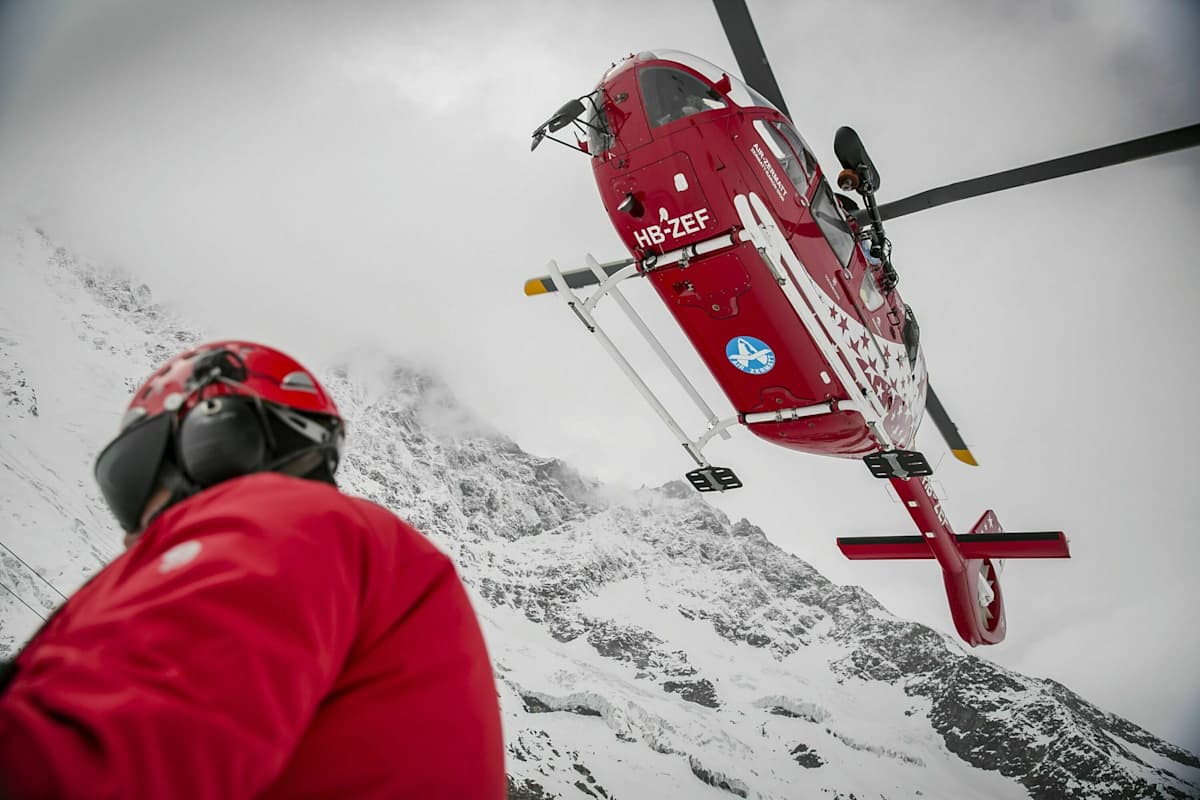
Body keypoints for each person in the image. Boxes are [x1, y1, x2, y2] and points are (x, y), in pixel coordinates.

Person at [0, 341, 506, 799]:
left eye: (135, 479)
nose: (132, 533)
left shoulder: (285, 525)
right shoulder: (355, 553)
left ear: (214, 436)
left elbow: (104, 756)